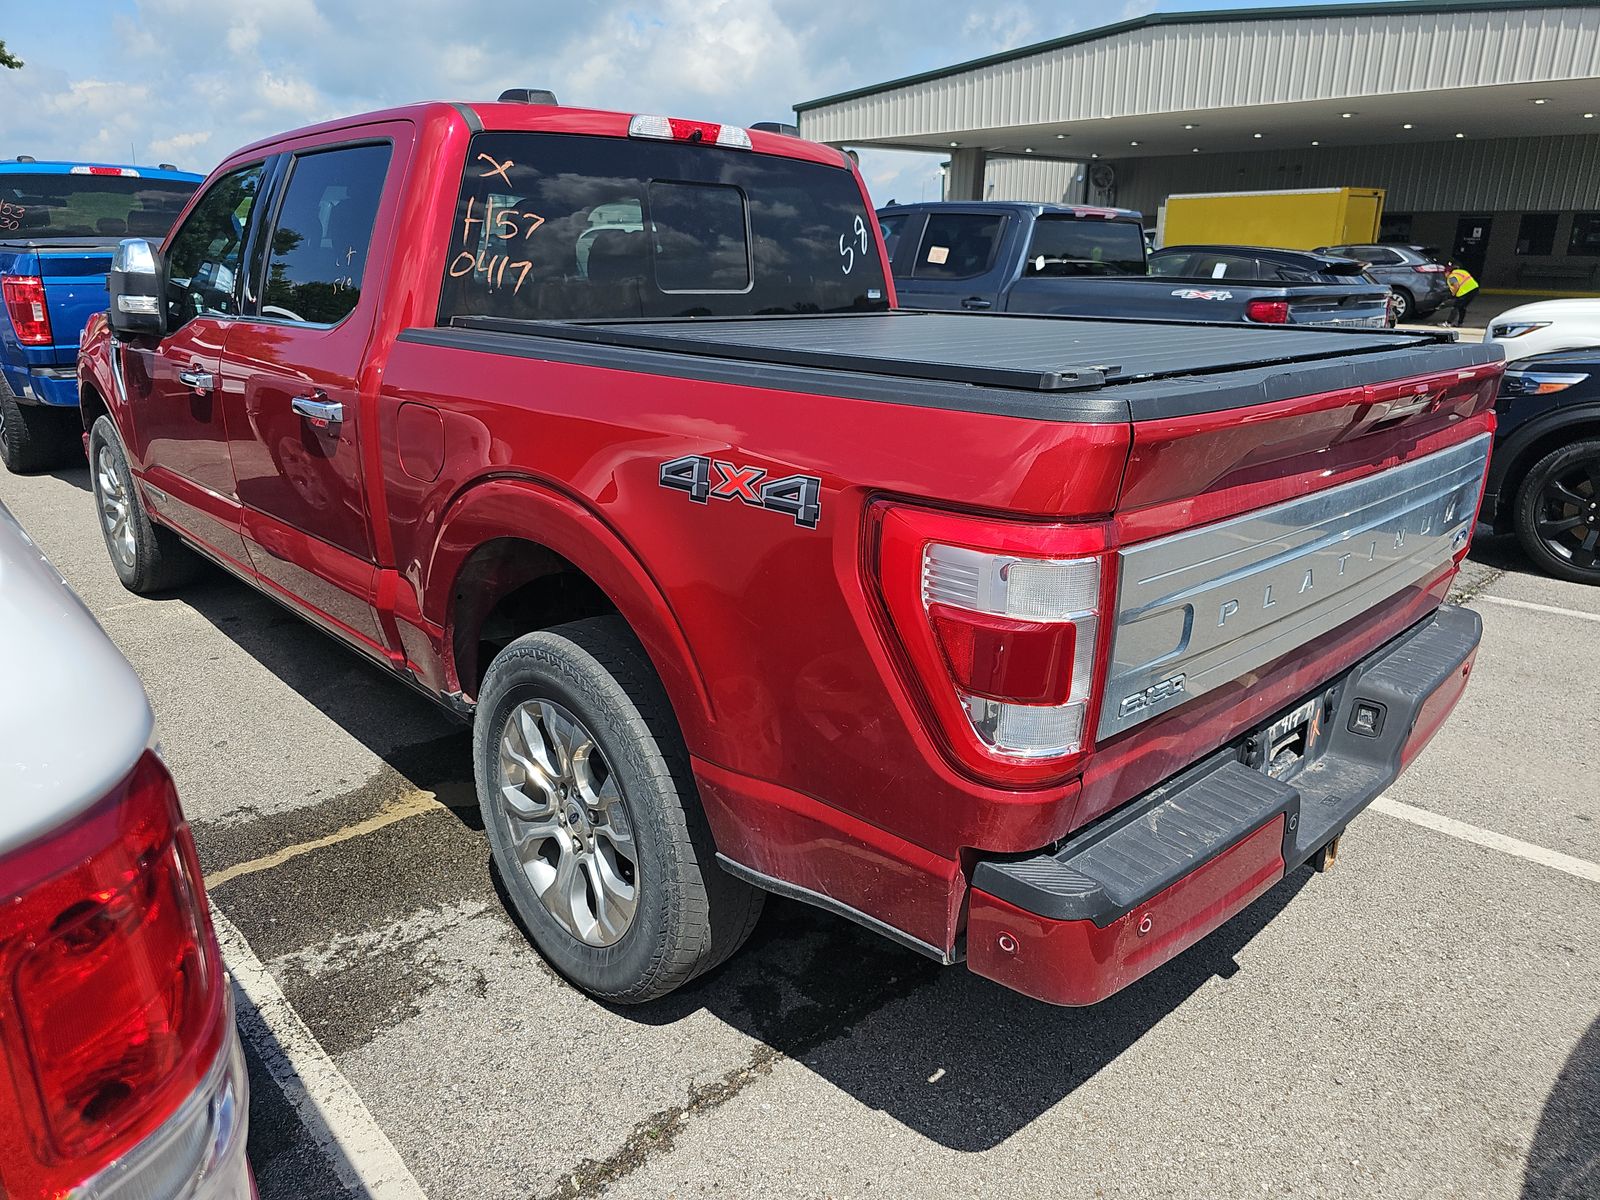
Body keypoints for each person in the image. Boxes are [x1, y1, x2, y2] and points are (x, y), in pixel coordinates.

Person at [1443, 260, 1480, 327]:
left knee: (1456, 306)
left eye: (1445, 273)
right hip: (1474, 288)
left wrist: (1453, 294)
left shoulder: (1451, 277)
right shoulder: (1461, 271)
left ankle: (1448, 323)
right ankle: (1460, 323)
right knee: (1462, 307)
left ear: (1448, 272)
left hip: (1465, 291)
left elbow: (1456, 286)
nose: (1444, 275)